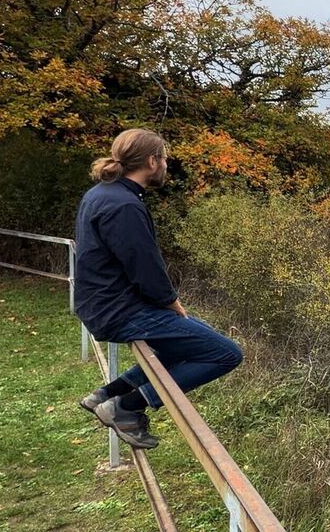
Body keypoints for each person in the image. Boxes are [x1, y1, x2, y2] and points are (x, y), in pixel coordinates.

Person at [73, 128, 243, 449]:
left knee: (192, 337)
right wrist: (171, 303)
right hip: (120, 311)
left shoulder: (101, 194)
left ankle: (106, 394)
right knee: (226, 353)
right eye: (164, 157)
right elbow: (145, 268)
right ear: (152, 161)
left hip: (104, 304)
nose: (167, 163)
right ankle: (126, 407)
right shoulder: (124, 205)